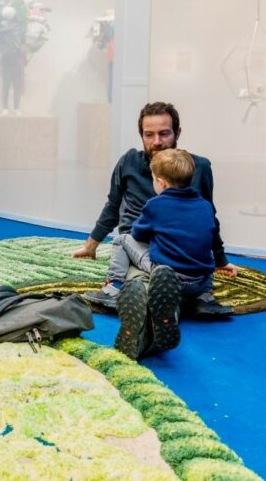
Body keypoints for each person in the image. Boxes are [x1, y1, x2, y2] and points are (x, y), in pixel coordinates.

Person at [74, 102, 238, 314]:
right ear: (141, 135)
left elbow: (208, 221)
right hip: (141, 248)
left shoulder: (199, 167)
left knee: (151, 288)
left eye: (164, 133)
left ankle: (126, 295)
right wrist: (91, 245)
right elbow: (113, 206)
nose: (157, 142)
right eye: (149, 135)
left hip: (180, 247)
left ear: (177, 133)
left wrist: (221, 260)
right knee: (145, 283)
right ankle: (196, 298)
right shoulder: (129, 162)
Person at [88, 149, 222, 359]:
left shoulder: (155, 205)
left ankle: (114, 286)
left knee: (122, 240)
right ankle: (205, 296)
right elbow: (212, 237)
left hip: (167, 274)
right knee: (204, 250)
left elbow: (138, 233)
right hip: (199, 280)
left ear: (161, 183)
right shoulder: (205, 206)